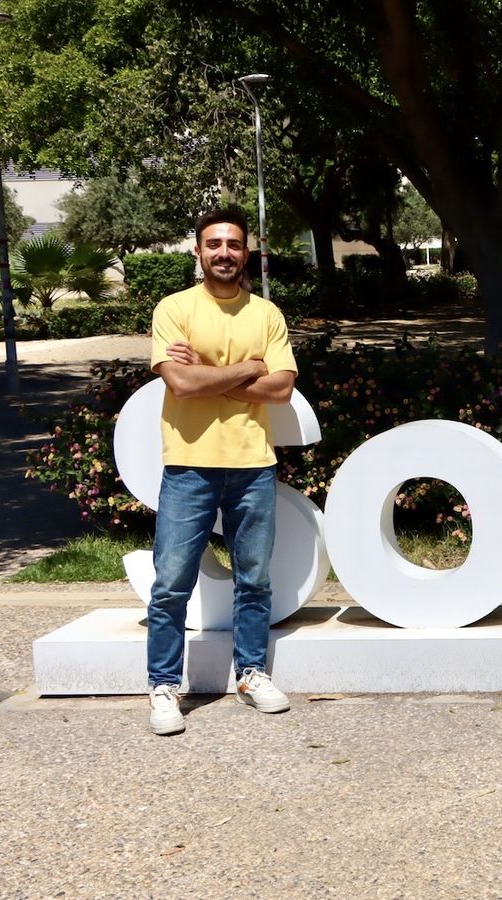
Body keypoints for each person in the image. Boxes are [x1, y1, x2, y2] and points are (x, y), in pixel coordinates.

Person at [145, 207, 299, 735]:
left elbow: (281, 389)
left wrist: (206, 373)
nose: (224, 253)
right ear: (198, 251)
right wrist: (248, 368)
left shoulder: (267, 314)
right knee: (171, 584)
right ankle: (164, 687)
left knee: (254, 580)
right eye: (214, 244)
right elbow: (180, 384)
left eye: (233, 244)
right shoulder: (173, 308)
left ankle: (251, 675)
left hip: (252, 464)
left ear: (246, 253)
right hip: (189, 464)